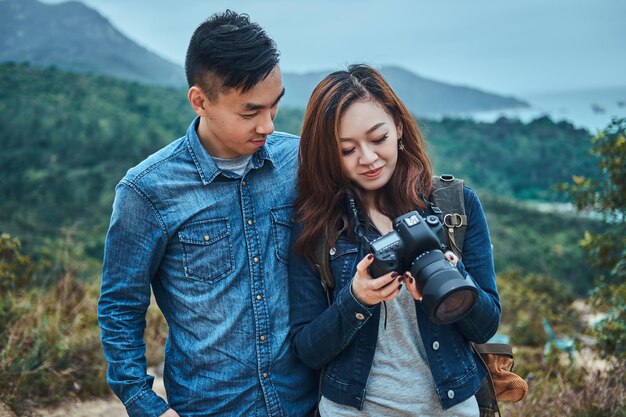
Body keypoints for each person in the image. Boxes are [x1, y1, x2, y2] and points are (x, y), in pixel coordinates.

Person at [98, 10, 317, 417]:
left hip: (305, 401)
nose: (268, 125)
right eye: (250, 112)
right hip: (208, 407)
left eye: (275, 107)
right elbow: (119, 306)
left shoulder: (300, 160)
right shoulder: (147, 191)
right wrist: (145, 404)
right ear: (200, 101)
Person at [288, 64, 501, 416]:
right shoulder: (316, 226)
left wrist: (452, 279)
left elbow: (486, 326)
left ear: (398, 126)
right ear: (328, 155)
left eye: (378, 139)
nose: (368, 159)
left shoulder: (454, 207)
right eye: (346, 150)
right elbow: (307, 349)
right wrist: (356, 300)